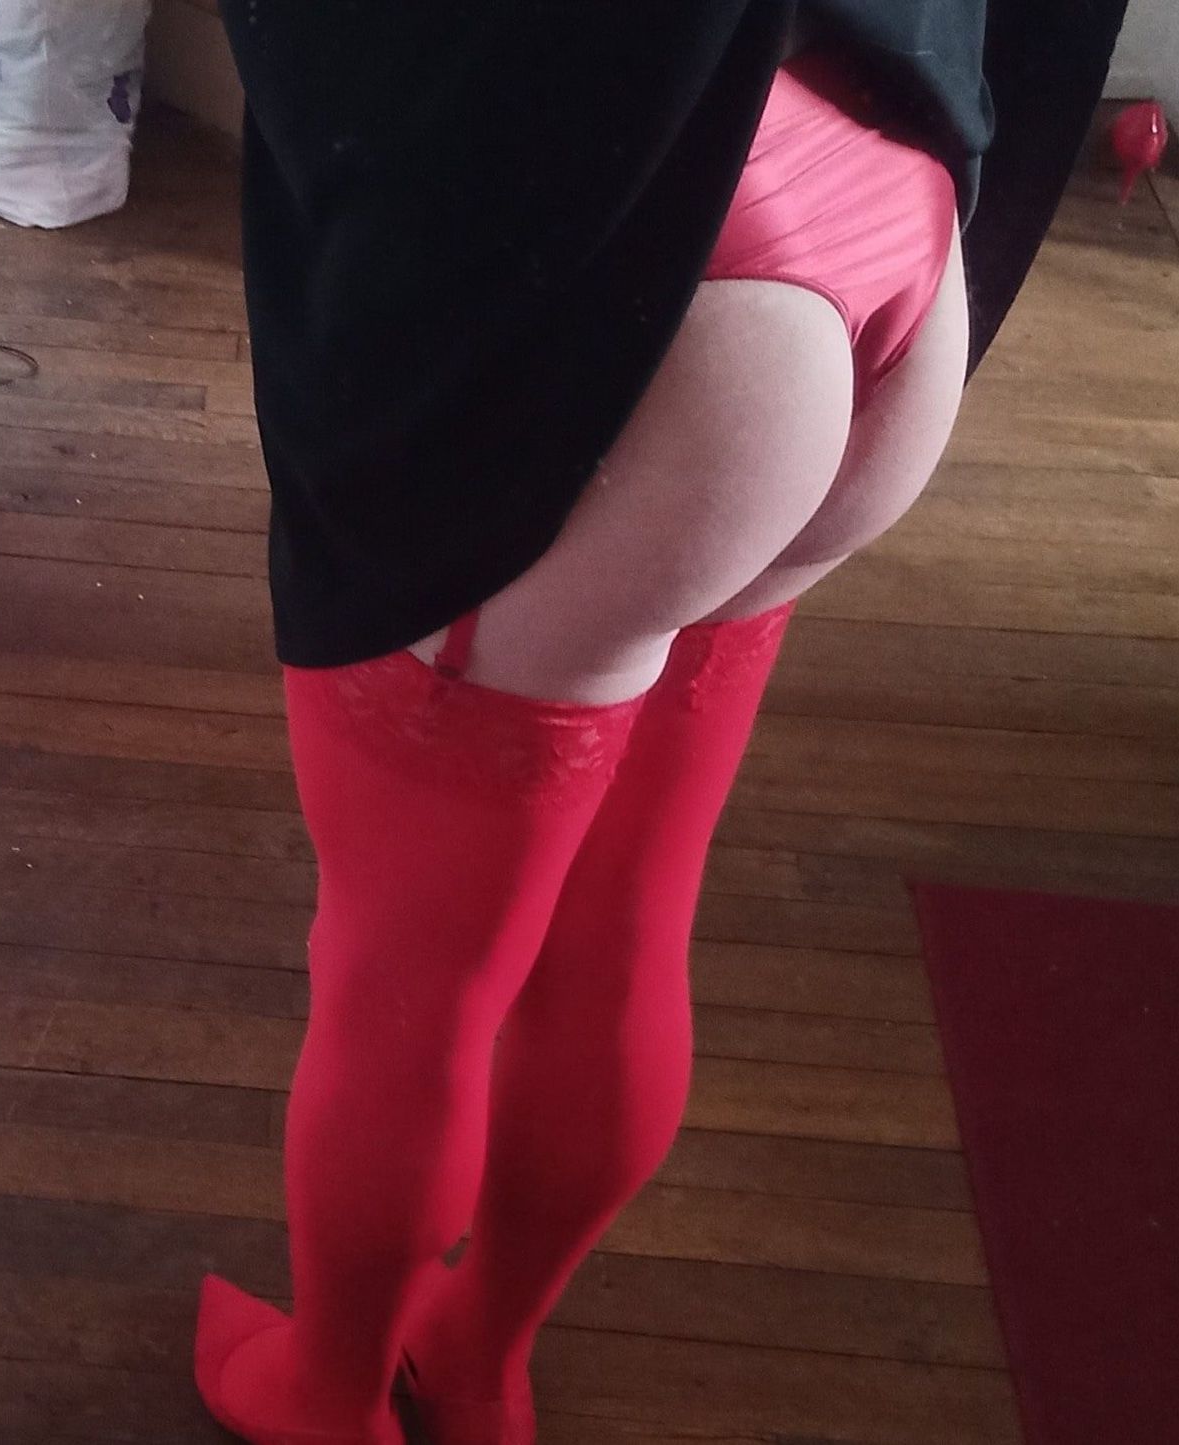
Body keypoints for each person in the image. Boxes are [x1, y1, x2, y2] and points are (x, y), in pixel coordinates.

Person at [193, 3, 1131, 1443]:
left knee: (409, 988)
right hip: (893, 204)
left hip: (645, 277)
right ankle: (482, 1366)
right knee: (627, 928)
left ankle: (329, 1398)